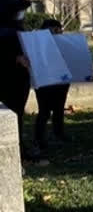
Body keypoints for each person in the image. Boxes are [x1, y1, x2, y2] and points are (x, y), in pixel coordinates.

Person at [0, 0, 34, 159]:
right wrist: (14, 58)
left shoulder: (18, 28)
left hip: (20, 78)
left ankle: (19, 145)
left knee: (18, 114)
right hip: (7, 79)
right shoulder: (4, 31)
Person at [33, 19, 71, 152]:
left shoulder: (65, 43)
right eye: (54, 30)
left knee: (59, 108)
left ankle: (59, 133)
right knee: (44, 110)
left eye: (58, 30)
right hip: (44, 82)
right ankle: (39, 138)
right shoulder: (37, 43)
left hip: (61, 81)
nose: (57, 33)